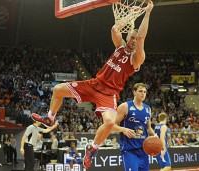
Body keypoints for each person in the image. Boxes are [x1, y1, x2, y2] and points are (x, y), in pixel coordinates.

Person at [30, 0, 154, 169]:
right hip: (93, 84)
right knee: (57, 90)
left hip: (108, 93)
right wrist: (129, 15)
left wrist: (146, 13)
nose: (133, 40)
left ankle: (93, 147)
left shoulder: (135, 59)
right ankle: (50, 118)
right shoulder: (119, 47)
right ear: (127, 38)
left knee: (110, 122)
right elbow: (115, 29)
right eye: (131, 37)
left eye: (135, 38)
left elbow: (141, 37)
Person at [113, 83, 156, 171]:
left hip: (143, 150)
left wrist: (155, 136)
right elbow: (112, 125)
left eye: (144, 92)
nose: (143, 93)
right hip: (129, 150)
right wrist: (123, 129)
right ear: (134, 92)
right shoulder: (125, 106)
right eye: (140, 91)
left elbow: (148, 128)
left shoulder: (148, 109)